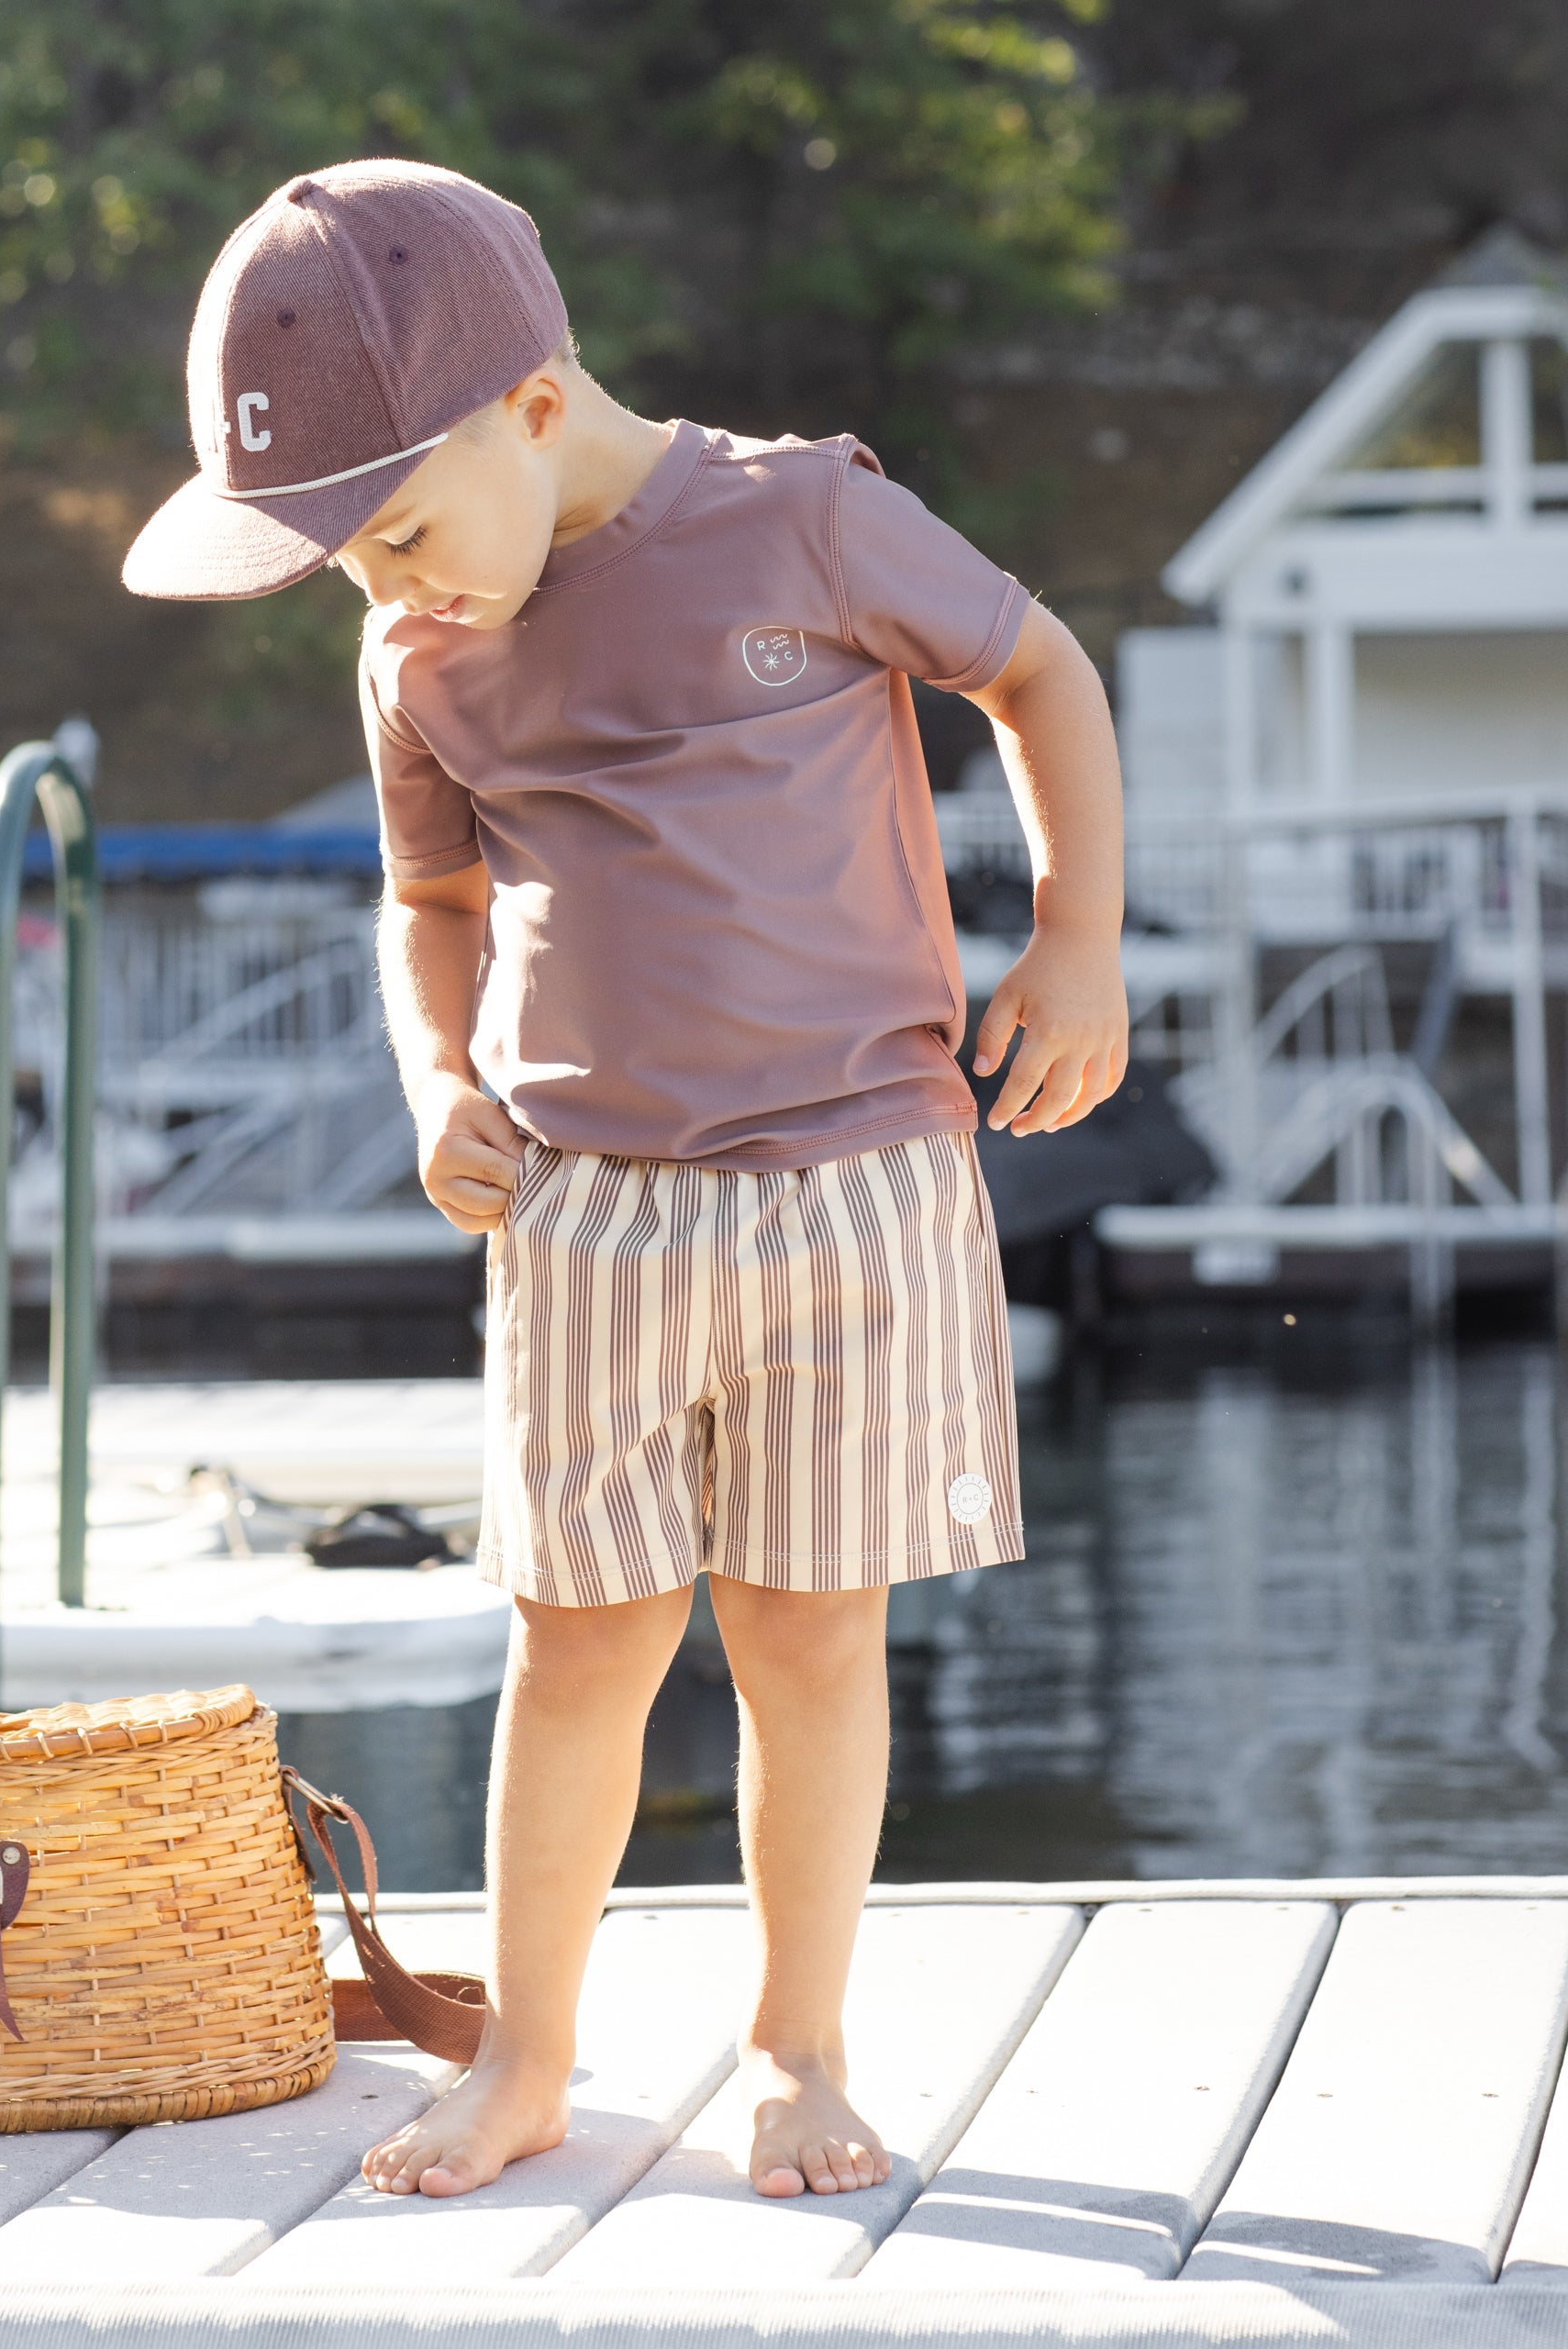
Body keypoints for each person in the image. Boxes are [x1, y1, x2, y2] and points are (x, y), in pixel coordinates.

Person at [126, 159, 1128, 2204]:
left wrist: (1077, 942)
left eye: (399, 528)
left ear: (529, 407)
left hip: (855, 1183)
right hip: (587, 1210)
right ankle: (528, 2057)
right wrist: (437, 1077)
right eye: (344, 557)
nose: (387, 587)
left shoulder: (803, 518)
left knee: (806, 1636)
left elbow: (1042, 673)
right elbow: (428, 905)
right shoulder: (418, 656)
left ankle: (796, 2049)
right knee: (576, 1639)